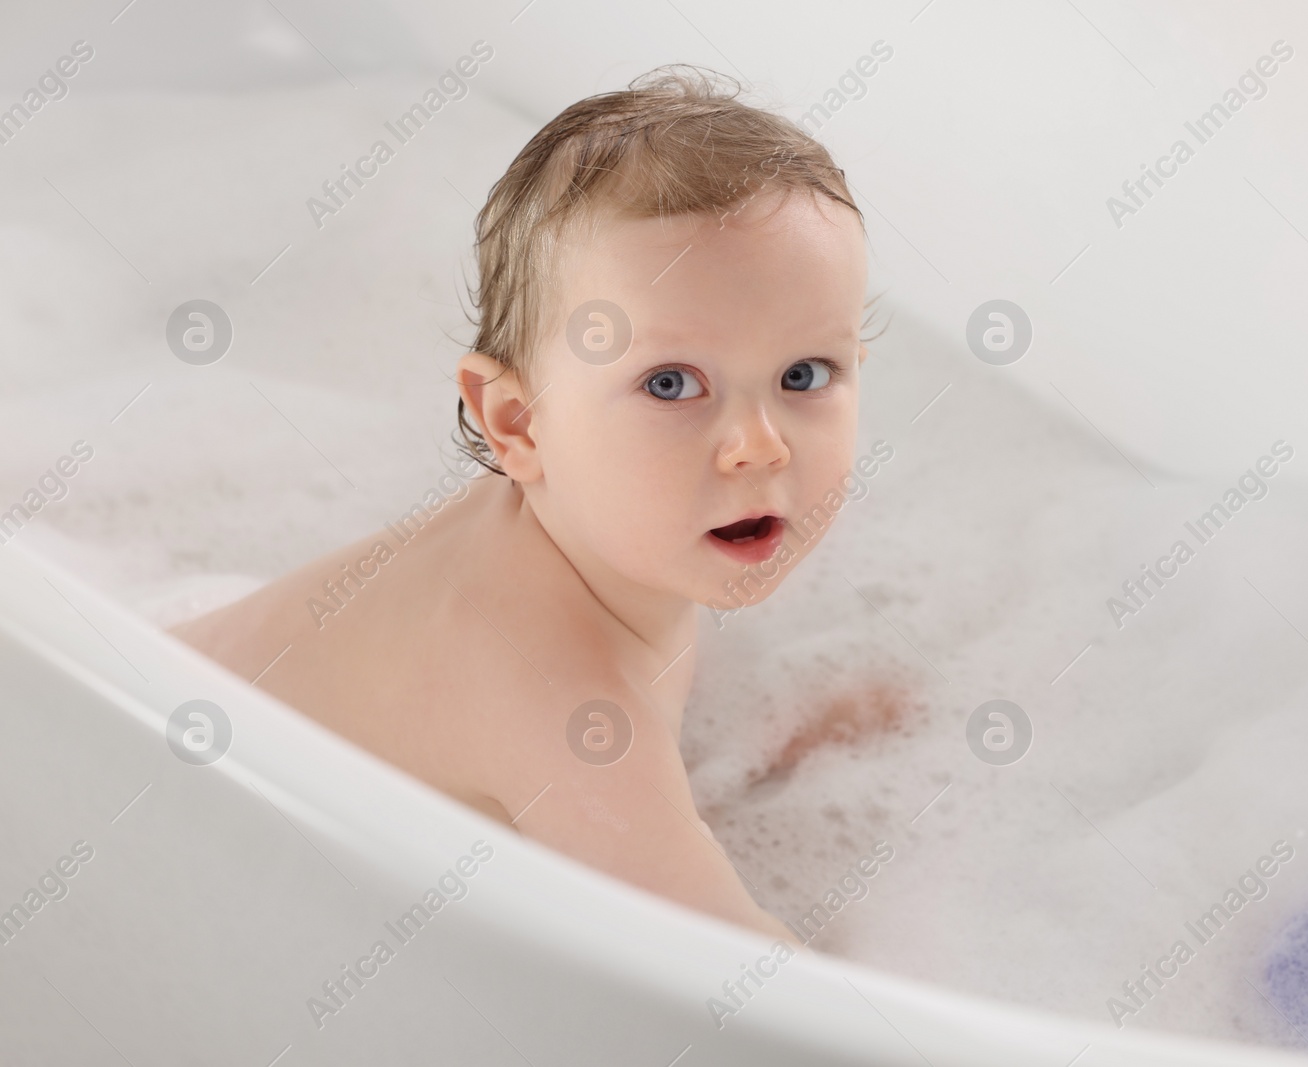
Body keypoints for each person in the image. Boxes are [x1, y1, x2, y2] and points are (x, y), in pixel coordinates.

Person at [169, 65, 881, 946]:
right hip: (163, 825)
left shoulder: (577, 534)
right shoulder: (567, 706)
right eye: (671, 383)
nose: (760, 444)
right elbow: (738, 983)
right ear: (519, 424)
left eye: (804, 374)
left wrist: (783, 727)